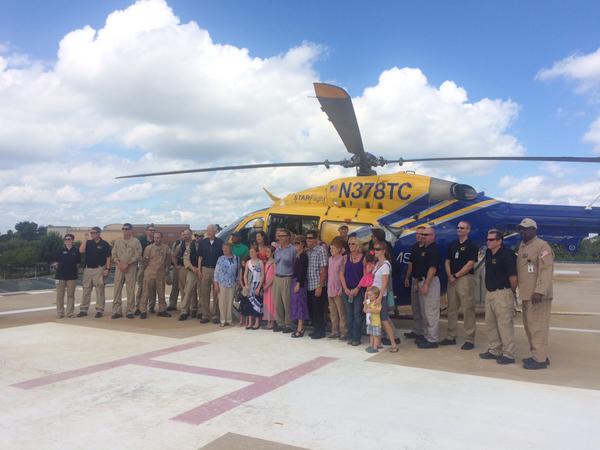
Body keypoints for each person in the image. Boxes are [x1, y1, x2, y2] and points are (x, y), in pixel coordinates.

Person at [517, 218, 555, 370]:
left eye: (526, 229)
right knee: (530, 326)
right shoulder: (523, 246)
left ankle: (539, 360)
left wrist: (539, 291)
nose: (523, 231)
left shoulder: (542, 246)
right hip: (527, 295)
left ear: (534, 230)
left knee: (538, 327)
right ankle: (539, 355)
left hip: (537, 296)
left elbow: (546, 270)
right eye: (521, 229)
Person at [479, 229, 518, 365]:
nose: (488, 242)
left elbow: (513, 277)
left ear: (499, 241)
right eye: (487, 239)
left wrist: (511, 292)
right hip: (490, 293)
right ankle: (495, 349)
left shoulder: (507, 255)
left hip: (502, 293)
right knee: (490, 323)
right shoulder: (489, 253)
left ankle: (509, 354)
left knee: (504, 324)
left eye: (491, 240)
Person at [440, 221, 479, 349]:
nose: (459, 230)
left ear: (468, 230)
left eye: (462, 228)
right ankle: (451, 336)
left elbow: (470, 264)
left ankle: (470, 339)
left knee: (468, 309)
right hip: (452, 280)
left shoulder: (472, 245)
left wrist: (456, 275)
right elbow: (447, 261)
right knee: (451, 308)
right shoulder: (452, 244)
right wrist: (450, 275)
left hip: (465, 279)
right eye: (458, 228)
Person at [412, 226, 441, 349]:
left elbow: (432, 268)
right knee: (424, 312)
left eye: (426, 235)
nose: (423, 237)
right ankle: (426, 335)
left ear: (433, 237)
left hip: (430, 282)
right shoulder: (423, 249)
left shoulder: (433, 250)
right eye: (422, 235)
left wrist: (426, 285)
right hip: (421, 281)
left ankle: (433, 339)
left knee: (431, 312)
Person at [77, 227, 111, 318]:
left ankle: (100, 310)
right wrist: (85, 239)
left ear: (99, 233)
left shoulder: (104, 244)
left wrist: (107, 269)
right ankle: (83, 309)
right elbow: (81, 250)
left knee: (100, 290)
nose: (92, 234)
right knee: (86, 290)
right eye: (91, 233)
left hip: (99, 269)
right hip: (88, 269)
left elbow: (108, 257)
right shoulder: (88, 242)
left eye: (94, 233)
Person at [371, 243, 399, 352]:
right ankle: (378, 344)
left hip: (381, 296)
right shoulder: (378, 263)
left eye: (378, 249)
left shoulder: (386, 265)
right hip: (375, 295)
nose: (376, 251)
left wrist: (379, 298)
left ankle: (393, 344)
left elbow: (384, 284)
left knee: (384, 319)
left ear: (384, 251)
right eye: (375, 249)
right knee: (377, 319)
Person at [111, 223, 142, 319]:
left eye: (127, 229)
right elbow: (114, 254)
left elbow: (138, 254)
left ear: (131, 230)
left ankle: (130, 310)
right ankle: (116, 311)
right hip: (119, 267)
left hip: (131, 267)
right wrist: (119, 263)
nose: (125, 230)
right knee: (117, 289)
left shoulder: (136, 242)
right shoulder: (118, 241)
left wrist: (128, 263)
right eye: (123, 229)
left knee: (130, 289)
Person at [140, 231, 172, 319]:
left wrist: (166, 268)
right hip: (150, 273)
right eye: (155, 238)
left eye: (158, 238)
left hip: (160, 274)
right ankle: (143, 310)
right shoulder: (148, 248)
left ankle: (162, 310)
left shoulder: (166, 248)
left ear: (161, 238)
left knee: (161, 293)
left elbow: (169, 259)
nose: (156, 239)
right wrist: (147, 270)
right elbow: (145, 261)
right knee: (146, 293)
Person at [340, 236, 365, 346]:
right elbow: (341, 274)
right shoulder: (345, 258)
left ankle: (356, 337)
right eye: (349, 244)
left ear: (358, 245)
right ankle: (350, 336)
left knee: (357, 314)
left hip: (358, 290)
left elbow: (365, 276)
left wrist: (357, 288)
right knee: (349, 314)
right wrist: (345, 288)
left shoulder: (363, 258)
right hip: (347, 290)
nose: (350, 246)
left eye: (353, 244)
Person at [197, 224, 224, 323]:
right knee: (204, 292)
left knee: (216, 292)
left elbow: (222, 258)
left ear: (215, 231)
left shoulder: (220, 242)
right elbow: (200, 257)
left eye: (211, 230)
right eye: (207, 230)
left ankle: (216, 315)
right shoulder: (202, 242)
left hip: (217, 270)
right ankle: (205, 315)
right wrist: (199, 270)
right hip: (205, 269)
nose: (209, 232)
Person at [403, 225, 426, 340]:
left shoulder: (428, 248)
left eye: (422, 234)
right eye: (417, 234)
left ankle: (423, 332)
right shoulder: (414, 247)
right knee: (415, 308)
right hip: (414, 280)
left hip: (422, 281)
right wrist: (407, 277)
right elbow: (411, 264)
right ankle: (417, 330)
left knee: (423, 308)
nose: (419, 236)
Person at [305, 229, 328, 339]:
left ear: (316, 239)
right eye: (307, 238)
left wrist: (320, 286)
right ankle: (316, 329)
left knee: (318, 309)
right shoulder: (307, 251)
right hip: (309, 285)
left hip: (318, 285)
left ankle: (320, 331)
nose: (308, 240)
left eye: (310, 238)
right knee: (312, 309)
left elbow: (324, 269)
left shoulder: (321, 250)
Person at [272, 228, 295, 333]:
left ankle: (289, 324)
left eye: (282, 236)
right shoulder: (277, 249)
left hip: (287, 277)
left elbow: (295, 264)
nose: (279, 238)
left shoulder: (292, 249)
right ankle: (280, 323)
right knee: (278, 302)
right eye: (279, 236)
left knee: (287, 302)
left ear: (288, 237)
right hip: (277, 277)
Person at [53, 233, 80, 318]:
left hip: (72, 277)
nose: (67, 241)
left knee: (71, 295)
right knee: (60, 296)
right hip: (60, 276)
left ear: (72, 240)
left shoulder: (76, 250)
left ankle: (70, 313)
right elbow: (56, 262)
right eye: (66, 239)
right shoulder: (60, 250)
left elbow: (78, 263)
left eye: (69, 239)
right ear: (64, 241)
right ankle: (60, 313)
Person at [214, 242, 240, 327]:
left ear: (230, 249)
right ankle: (223, 320)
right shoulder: (220, 258)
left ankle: (229, 319)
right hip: (222, 282)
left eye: (226, 248)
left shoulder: (236, 258)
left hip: (232, 282)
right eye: (223, 248)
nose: (224, 249)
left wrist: (238, 282)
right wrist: (216, 283)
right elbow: (216, 272)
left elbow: (238, 271)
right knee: (222, 302)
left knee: (230, 301)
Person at [327, 237, 348, 340]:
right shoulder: (330, 259)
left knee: (341, 312)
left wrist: (341, 289)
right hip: (330, 289)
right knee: (333, 312)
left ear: (339, 249)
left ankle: (343, 331)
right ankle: (334, 331)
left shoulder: (343, 259)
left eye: (334, 249)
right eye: (330, 249)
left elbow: (342, 275)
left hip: (338, 289)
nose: (332, 251)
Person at [290, 235, 309, 338]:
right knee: (295, 304)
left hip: (300, 283)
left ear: (303, 244)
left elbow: (302, 271)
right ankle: (298, 325)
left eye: (298, 243)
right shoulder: (297, 255)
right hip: (294, 281)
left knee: (300, 305)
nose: (296, 245)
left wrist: (298, 284)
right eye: (295, 243)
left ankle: (300, 327)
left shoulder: (303, 256)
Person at [178, 230, 199, 321]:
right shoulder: (189, 246)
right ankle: (184, 311)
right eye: (185, 234)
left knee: (202, 292)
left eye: (187, 234)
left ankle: (197, 310)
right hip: (192, 271)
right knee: (188, 290)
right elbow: (186, 259)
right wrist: (193, 268)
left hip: (203, 271)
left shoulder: (202, 244)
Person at [136, 224, 155, 315]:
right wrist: (142, 261)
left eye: (153, 230)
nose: (152, 231)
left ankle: (151, 307)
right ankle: (138, 307)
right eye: (150, 230)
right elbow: (138, 253)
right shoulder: (141, 240)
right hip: (143, 266)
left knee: (152, 287)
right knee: (141, 287)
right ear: (146, 231)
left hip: (153, 268)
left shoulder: (156, 240)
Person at [243, 246, 264, 329]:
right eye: (250, 252)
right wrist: (246, 284)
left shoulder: (260, 262)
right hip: (250, 285)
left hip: (257, 284)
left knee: (257, 304)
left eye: (253, 252)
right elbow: (245, 275)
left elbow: (262, 276)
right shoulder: (248, 262)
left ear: (256, 252)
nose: (251, 253)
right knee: (249, 304)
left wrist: (259, 287)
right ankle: (250, 322)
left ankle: (257, 322)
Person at [167, 230, 185, 311]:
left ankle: (185, 305)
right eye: (182, 235)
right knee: (175, 286)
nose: (184, 236)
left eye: (185, 234)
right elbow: (173, 255)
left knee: (184, 287)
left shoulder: (191, 243)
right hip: (177, 267)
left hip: (187, 268)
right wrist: (175, 265)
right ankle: (172, 304)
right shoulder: (177, 243)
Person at [364, 286, 383, 353]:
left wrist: (370, 310)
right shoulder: (369, 302)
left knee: (375, 335)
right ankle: (371, 346)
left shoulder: (377, 302)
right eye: (368, 295)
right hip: (370, 322)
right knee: (371, 335)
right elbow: (365, 311)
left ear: (376, 295)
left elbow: (378, 311)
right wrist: (365, 305)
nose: (369, 296)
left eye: (370, 295)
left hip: (376, 322)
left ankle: (375, 347)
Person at [261, 245, 276, 329]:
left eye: (268, 252)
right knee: (267, 303)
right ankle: (268, 320)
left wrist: (267, 285)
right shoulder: (266, 262)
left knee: (271, 303)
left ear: (273, 253)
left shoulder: (274, 262)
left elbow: (274, 275)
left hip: (271, 286)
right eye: (266, 251)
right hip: (266, 285)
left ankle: (272, 321)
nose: (267, 253)